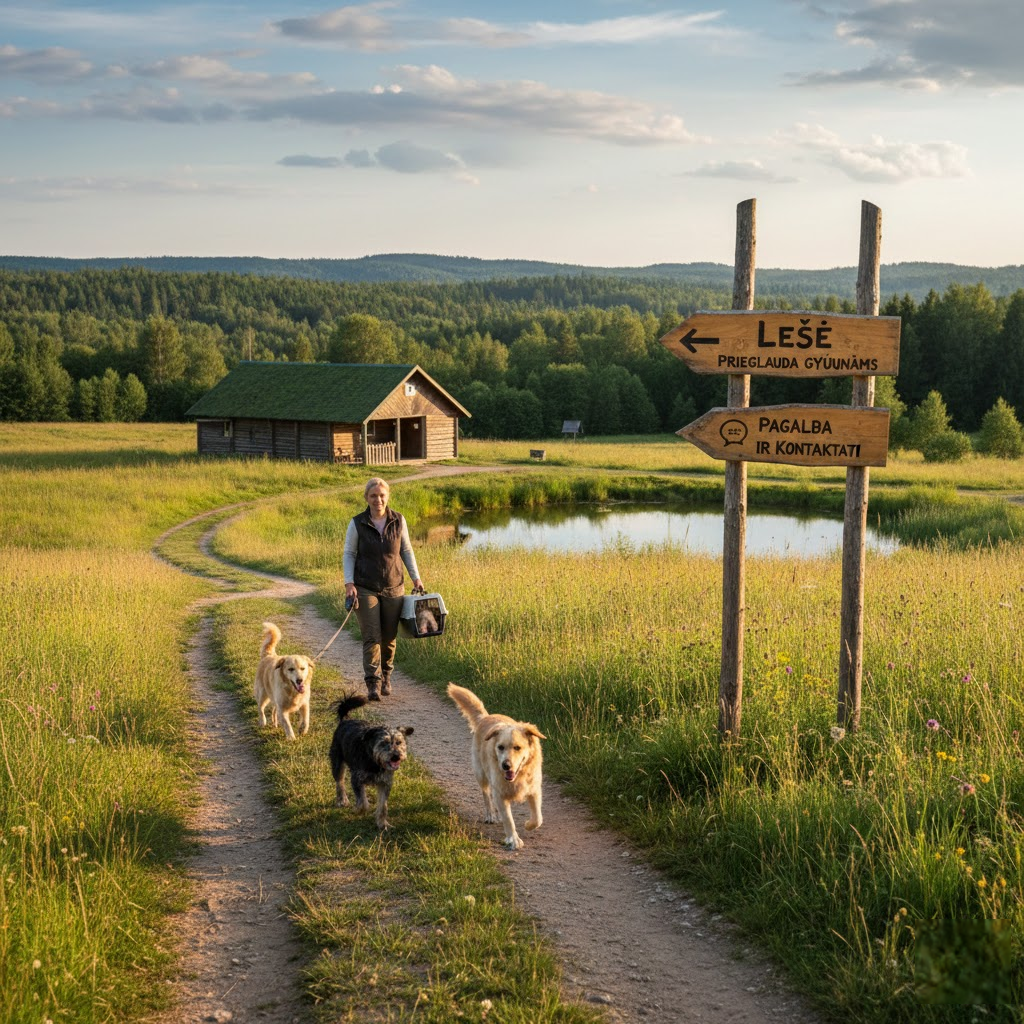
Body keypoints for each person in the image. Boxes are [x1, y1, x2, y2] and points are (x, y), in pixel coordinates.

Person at [343, 477, 423, 700]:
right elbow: (349, 554)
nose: (378, 500)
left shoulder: (398, 520)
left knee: (389, 638)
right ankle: (373, 683)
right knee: (371, 636)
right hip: (364, 587)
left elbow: (406, 550)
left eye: (381, 495)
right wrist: (349, 583)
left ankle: (387, 675)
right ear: (366, 498)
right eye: (373, 496)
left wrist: (416, 578)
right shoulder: (357, 523)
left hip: (394, 586)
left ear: (387, 497)